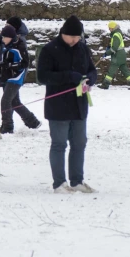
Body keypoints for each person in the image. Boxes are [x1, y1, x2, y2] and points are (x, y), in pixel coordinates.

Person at [37, 15, 98, 194]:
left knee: (79, 143)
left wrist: (92, 78)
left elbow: (92, 69)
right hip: (58, 105)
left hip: (79, 105)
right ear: (63, 33)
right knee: (59, 144)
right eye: (72, 37)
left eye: (78, 37)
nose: (74, 40)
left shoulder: (83, 49)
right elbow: (42, 76)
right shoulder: (49, 50)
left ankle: (77, 181)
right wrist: (68, 76)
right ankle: (59, 183)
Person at [0, 24, 41, 134]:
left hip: (16, 78)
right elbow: (2, 64)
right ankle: (33, 122)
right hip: (7, 78)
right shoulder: (6, 47)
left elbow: (24, 63)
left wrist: (11, 66)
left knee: (5, 101)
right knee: (15, 103)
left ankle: (7, 127)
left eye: (4, 37)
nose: (2, 39)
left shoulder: (19, 46)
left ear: (10, 37)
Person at [100, 21, 130, 90]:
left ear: (113, 28)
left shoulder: (116, 35)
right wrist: (110, 46)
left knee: (111, 70)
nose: (109, 29)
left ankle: (105, 85)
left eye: (110, 28)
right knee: (125, 70)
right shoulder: (118, 33)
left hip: (117, 55)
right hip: (122, 54)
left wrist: (107, 53)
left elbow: (114, 48)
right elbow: (115, 44)